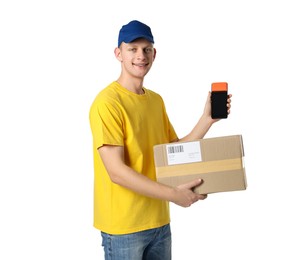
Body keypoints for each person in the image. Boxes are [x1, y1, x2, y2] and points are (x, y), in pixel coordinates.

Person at [89, 20, 232, 260]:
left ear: (154, 54)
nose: (140, 56)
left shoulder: (155, 101)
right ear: (118, 54)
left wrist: (207, 119)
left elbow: (173, 153)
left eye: (146, 49)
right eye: (132, 49)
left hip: (159, 222)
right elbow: (117, 172)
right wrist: (174, 195)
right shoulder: (107, 103)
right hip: (124, 227)